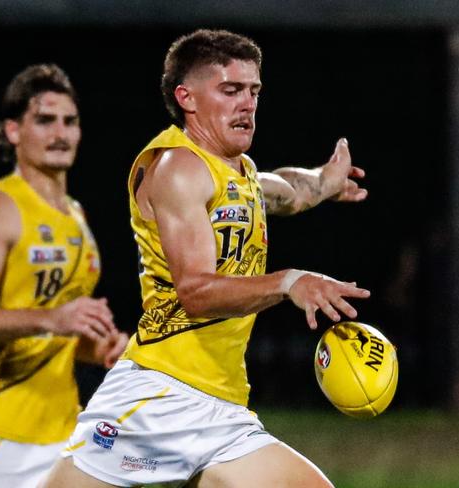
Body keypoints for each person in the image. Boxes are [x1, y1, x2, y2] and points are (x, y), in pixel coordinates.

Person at [42, 29, 369, 488]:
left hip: (221, 406)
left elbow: (288, 191)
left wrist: (326, 180)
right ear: (187, 98)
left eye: (254, 90)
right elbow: (195, 291)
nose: (247, 103)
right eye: (230, 90)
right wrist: (289, 281)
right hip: (158, 394)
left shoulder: (239, 172)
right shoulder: (178, 167)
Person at [0, 63, 128, 488]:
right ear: (13, 131)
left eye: (69, 121)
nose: (60, 132)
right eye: (44, 120)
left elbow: (58, 336)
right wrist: (52, 318)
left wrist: (102, 347)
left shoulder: (76, 217)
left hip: (61, 437)